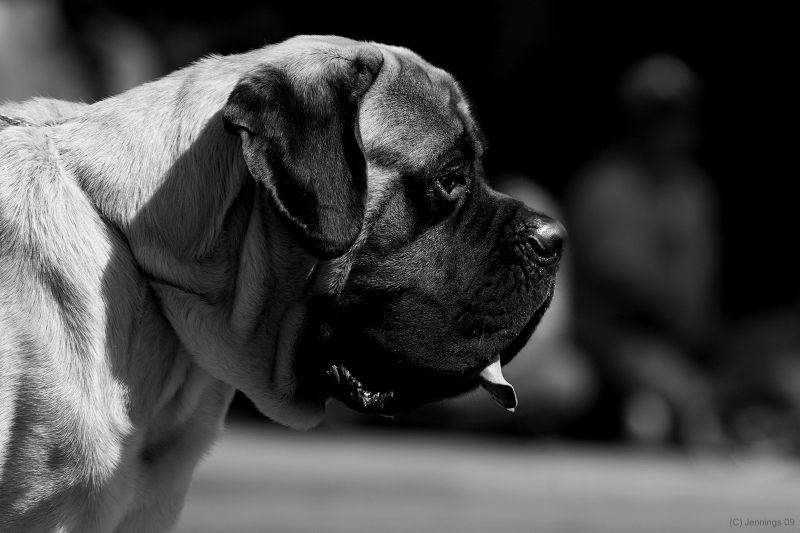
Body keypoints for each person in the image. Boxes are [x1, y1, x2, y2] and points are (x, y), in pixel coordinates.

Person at [566, 54, 725, 447]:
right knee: (676, 399)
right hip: (616, 337)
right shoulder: (605, 185)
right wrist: (683, 321)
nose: (670, 124)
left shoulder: (694, 188)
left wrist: (701, 326)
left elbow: (703, 276)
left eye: (678, 111)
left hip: (690, 336)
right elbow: (622, 284)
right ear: (633, 118)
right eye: (657, 113)